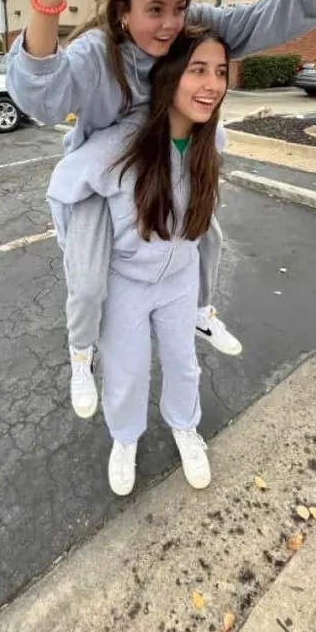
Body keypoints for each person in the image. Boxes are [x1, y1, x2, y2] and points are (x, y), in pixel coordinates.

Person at [6, 0, 316, 420]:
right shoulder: (96, 55)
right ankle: (82, 352)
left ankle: (198, 310)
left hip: (171, 172)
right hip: (103, 185)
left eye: (178, 9)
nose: (170, 25)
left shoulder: (189, 27)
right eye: (154, 10)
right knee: (88, 282)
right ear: (124, 13)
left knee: (201, 241)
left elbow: (265, 18)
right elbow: (41, 97)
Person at [47, 28, 229, 494]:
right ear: (170, 77)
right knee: (127, 371)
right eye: (198, 70)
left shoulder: (213, 140)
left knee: (182, 363)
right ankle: (124, 439)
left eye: (221, 72)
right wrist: (78, 253)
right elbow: (64, 186)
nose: (212, 84)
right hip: (126, 280)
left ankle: (185, 427)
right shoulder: (124, 142)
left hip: (180, 277)